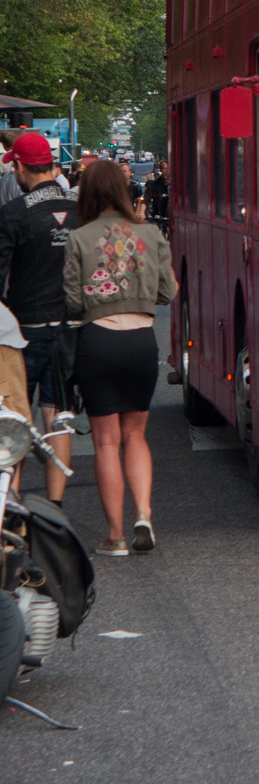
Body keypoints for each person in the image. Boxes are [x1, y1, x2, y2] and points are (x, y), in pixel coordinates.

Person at [63, 160, 176, 556]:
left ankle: (115, 536)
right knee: (136, 436)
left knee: (106, 443)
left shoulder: (79, 237)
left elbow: (74, 301)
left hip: (99, 340)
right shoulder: (149, 234)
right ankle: (143, 513)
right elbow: (168, 293)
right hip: (142, 343)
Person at [0, 130, 79, 502]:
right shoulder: (81, 209)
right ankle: (56, 507)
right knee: (57, 416)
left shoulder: (12, 214)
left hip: (23, 330)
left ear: (19, 166)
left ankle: (10, 507)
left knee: (13, 422)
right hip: (68, 329)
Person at [143, 160, 170, 237]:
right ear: (161, 170)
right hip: (158, 217)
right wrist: (142, 212)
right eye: (164, 169)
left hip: (171, 218)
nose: (166, 171)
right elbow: (146, 199)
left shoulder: (176, 183)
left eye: (168, 169)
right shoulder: (155, 184)